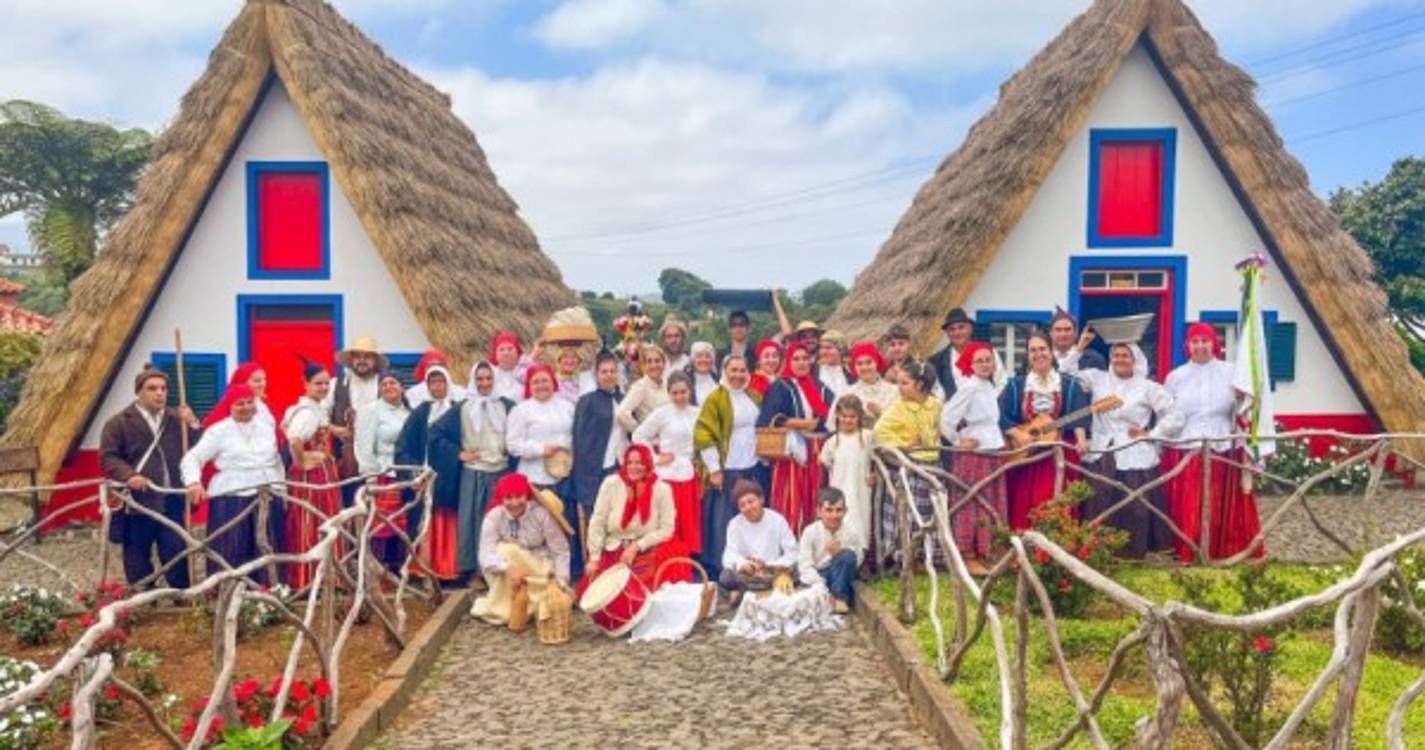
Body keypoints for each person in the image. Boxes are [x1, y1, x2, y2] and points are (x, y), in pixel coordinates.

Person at [1062, 333, 1183, 558]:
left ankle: (1132, 551)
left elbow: (1175, 415)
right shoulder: (1098, 379)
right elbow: (1065, 373)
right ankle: (1097, 547)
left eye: (1125, 355)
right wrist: (1078, 348)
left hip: (1134, 449)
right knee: (1099, 498)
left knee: (1135, 504)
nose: (1120, 359)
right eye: (1116, 355)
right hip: (1101, 446)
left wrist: (1152, 433)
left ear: (1135, 359)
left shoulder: (1148, 387)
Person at [1163, 323, 1264, 561]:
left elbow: (1246, 406)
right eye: (1195, 341)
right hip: (1187, 444)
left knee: (1220, 498)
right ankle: (1190, 546)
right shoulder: (1175, 377)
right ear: (1187, 345)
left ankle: (1224, 545)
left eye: (1204, 341)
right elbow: (1167, 413)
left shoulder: (1231, 373)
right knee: (1192, 501)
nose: (1200, 346)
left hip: (1224, 444)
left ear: (1214, 343)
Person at [99, 367, 201, 590]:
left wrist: (193, 423)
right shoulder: (119, 422)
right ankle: (144, 596)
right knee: (137, 551)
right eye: (152, 388)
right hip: (138, 500)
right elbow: (109, 457)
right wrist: (129, 475)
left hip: (171, 497)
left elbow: (198, 449)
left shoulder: (176, 419)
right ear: (139, 392)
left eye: (163, 388)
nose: (159, 393)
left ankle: (180, 594)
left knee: (175, 548)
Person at [181, 384, 284, 580]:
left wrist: (282, 488)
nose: (246, 407)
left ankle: (269, 593)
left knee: (268, 545)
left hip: (268, 493)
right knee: (233, 547)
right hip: (232, 497)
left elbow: (277, 461)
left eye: (249, 402)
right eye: (240, 404)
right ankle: (230, 591)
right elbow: (192, 458)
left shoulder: (266, 427)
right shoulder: (218, 431)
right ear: (229, 406)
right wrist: (193, 482)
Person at [428, 361, 514, 585]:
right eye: (480, 379)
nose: (484, 383)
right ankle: (476, 570)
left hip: (501, 471)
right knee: (477, 522)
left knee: (503, 522)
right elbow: (435, 432)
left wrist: (509, 446)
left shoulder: (507, 405)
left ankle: (503, 568)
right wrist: (459, 453)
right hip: (475, 472)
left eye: (488, 379)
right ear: (474, 382)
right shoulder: (463, 408)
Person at [999, 331, 1091, 531]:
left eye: (1042, 349)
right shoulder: (1016, 385)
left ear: (1051, 352)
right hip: (1025, 453)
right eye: (1033, 350)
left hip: (1058, 451)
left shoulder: (1069, 384)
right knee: (1024, 500)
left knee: (1053, 497)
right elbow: (1000, 414)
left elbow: (1079, 415)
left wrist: (1081, 439)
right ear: (1027, 355)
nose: (1038, 354)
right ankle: (1024, 544)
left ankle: (1056, 546)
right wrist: (1018, 434)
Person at [581, 445, 691, 595]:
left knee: (646, 590)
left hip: (648, 547)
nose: (633, 467)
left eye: (639, 462)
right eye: (629, 463)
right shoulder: (611, 483)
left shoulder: (662, 489)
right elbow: (597, 521)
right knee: (605, 591)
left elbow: (667, 529)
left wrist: (637, 546)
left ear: (648, 463)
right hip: (615, 548)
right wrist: (594, 557)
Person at [694, 355, 765, 579]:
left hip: (751, 466)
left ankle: (752, 566)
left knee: (752, 519)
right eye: (733, 370)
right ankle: (725, 570)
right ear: (724, 371)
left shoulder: (753, 396)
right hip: (728, 469)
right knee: (725, 521)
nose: (738, 375)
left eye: (742, 370)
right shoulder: (715, 398)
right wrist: (715, 469)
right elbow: (704, 434)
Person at [470, 473, 573, 627]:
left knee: (510, 552)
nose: (515, 502)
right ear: (501, 498)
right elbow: (485, 554)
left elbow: (560, 550)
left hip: (538, 569)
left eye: (519, 496)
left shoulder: (541, 514)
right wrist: (508, 568)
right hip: (509, 573)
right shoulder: (494, 517)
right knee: (505, 550)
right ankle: (506, 606)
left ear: (526, 495)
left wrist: (562, 581)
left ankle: (536, 602)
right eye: (508, 498)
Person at [939, 342, 1008, 562]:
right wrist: (958, 441)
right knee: (971, 500)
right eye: (980, 361)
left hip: (992, 449)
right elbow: (945, 419)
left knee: (991, 499)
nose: (985, 364)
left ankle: (989, 547)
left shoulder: (988, 386)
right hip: (974, 454)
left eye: (988, 360)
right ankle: (967, 549)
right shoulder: (968, 387)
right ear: (970, 364)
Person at [757, 344, 834, 533]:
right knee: (791, 498)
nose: (801, 363)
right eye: (796, 359)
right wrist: (800, 424)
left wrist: (816, 425)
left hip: (818, 450)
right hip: (791, 452)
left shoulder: (821, 387)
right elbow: (769, 419)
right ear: (787, 362)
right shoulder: (780, 386)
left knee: (815, 495)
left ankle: (814, 540)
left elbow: (833, 415)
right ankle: (789, 541)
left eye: (805, 358)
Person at [873, 360, 944, 562]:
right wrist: (904, 443)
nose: (899, 388)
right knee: (908, 513)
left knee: (930, 511)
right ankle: (904, 553)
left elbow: (941, 429)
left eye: (904, 383)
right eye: (898, 383)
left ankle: (928, 554)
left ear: (920, 385)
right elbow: (879, 433)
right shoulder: (898, 408)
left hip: (933, 463)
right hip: (911, 465)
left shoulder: (935, 405)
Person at [282, 363, 344, 589]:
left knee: (315, 520)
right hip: (314, 476)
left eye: (327, 383)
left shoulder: (308, 408)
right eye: (318, 383)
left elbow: (288, 427)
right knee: (313, 521)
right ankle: (311, 579)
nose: (324, 387)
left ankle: (317, 577)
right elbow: (295, 439)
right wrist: (302, 460)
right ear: (305, 384)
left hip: (319, 472)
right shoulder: (307, 412)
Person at [633, 371, 702, 558]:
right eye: (675, 393)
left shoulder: (698, 413)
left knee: (685, 521)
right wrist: (655, 459)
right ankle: (666, 563)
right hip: (667, 477)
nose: (679, 397)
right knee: (667, 520)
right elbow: (638, 436)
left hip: (688, 474)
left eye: (683, 392)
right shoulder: (662, 414)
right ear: (668, 393)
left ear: (690, 391)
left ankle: (684, 564)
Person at [569, 353, 625, 577]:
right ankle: (596, 564)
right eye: (604, 372)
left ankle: (615, 563)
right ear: (596, 375)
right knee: (597, 519)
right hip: (594, 469)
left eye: (613, 371)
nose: (609, 375)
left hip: (619, 465)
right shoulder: (588, 401)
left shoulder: (623, 399)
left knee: (618, 517)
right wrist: (585, 472)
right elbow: (580, 439)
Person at [356, 372, 410, 572]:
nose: (388, 387)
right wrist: (371, 479)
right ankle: (376, 572)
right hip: (383, 476)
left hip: (405, 475)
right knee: (381, 527)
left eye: (392, 383)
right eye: (383, 384)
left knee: (402, 526)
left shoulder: (407, 412)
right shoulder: (371, 411)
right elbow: (363, 446)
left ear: (401, 386)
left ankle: (398, 571)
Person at [326, 336, 387, 504]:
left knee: (378, 504)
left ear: (375, 360)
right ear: (351, 359)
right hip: (346, 457)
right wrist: (336, 430)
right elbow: (319, 416)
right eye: (357, 356)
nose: (362, 361)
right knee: (347, 503)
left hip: (379, 457)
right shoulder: (335, 385)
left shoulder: (386, 384)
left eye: (367, 356)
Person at [505, 364, 576, 494]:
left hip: (565, 476)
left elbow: (574, 435)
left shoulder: (567, 406)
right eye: (536, 382)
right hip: (534, 479)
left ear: (553, 382)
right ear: (529, 386)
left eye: (545, 380)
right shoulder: (521, 410)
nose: (541, 385)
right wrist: (541, 449)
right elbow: (512, 445)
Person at [819, 395, 875, 555]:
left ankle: (861, 558)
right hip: (839, 488)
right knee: (841, 522)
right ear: (837, 416)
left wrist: (874, 474)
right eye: (843, 416)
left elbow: (877, 460)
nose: (847, 420)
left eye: (852, 417)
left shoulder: (867, 436)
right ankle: (841, 558)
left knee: (860, 522)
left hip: (860, 489)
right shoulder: (832, 442)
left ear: (859, 417)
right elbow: (825, 464)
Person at [719, 480, 797, 593]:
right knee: (725, 577)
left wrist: (767, 566)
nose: (748, 507)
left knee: (795, 571)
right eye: (742, 505)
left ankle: (745, 591)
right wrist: (744, 564)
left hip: (772, 570)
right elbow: (729, 554)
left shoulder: (777, 520)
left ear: (761, 500)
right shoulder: (734, 524)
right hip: (748, 574)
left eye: (751, 501)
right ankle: (758, 588)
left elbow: (792, 552)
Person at [798, 487, 863, 614]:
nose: (834, 515)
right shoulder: (810, 532)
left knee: (848, 555)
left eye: (839, 510)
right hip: (816, 577)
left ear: (845, 511)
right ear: (819, 512)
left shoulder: (851, 533)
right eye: (829, 510)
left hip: (839, 576)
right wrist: (822, 587)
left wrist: (839, 553)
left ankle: (839, 599)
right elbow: (805, 566)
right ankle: (829, 597)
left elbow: (857, 560)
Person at [929, 308, 1006, 399]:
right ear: (947, 333)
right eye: (952, 329)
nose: (957, 332)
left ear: (970, 329)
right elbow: (936, 392)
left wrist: (989, 402)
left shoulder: (987, 351)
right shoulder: (936, 360)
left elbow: (1001, 382)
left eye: (961, 327)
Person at [839, 340, 899, 423]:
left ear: (876, 363)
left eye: (869, 362)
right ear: (854, 367)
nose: (864, 367)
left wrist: (881, 414)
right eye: (859, 364)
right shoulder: (846, 393)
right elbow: (835, 424)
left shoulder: (895, 391)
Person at [615, 345, 670, 432]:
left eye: (657, 361)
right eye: (649, 362)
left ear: (664, 363)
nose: (653, 365)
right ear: (644, 365)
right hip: (652, 442)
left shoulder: (667, 384)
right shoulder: (640, 387)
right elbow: (621, 413)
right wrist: (640, 430)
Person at [478, 331, 532, 403]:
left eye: (510, 349)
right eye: (501, 350)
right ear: (495, 354)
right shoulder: (488, 373)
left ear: (517, 352)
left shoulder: (527, 371)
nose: (506, 353)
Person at [1049, 308, 1106, 372]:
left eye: (1067, 329)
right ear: (1050, 333)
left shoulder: (1094, 359)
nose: (1063, 334)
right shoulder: (1042, 356)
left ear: (1075, 333)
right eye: (1058, 330)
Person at [816, 329, 852, 399]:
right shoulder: (813, 374)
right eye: (821, 347)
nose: (823, 352)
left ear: (840, 350)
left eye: (828, 348)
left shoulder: (850, 374)